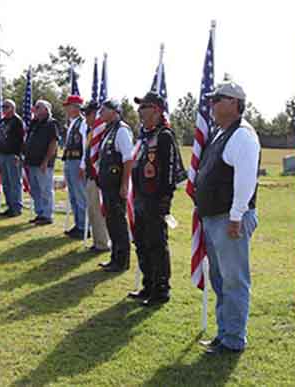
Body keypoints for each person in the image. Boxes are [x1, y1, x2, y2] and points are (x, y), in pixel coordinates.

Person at [194, 81, 260, 354]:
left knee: (234, 281)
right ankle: (225, 333)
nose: (212, 104)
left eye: (218, 99)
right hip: (215, 217)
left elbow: (245, 179)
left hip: (229, 218)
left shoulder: (242, 135)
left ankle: (233, 339)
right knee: (220, 280)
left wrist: (236, 216)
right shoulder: (222, 133)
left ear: (234, 103)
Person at [129, 91, 185, 306]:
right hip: (140, 197)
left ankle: (161, 289)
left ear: (156, 110)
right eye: (139, 107)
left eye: (144, 107)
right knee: (141, 243)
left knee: (156, 243)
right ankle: (148, 284)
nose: (140, 112)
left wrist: (165, 201)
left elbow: (170, 170)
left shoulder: (164, 136)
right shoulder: (144, 136)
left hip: (155, 199)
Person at [96, 99, 134, 273]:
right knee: (111, 221)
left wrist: (125, 184)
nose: (100, 114)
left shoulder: (122, 131)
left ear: (114, 111)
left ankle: (122, 260)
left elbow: (128, 159)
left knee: (118, 222)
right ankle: (114, 257)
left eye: (104, 110)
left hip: (117, 184)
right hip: (107, 184)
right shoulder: (108, 130)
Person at [80, 100, 110, 252]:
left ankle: (102, 243)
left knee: (98, 211)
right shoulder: (92, 131)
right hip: (91, 175)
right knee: (92, 210)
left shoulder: (102, 130)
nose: (85, 118)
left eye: (87, 114)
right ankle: (98, 241)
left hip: (100, 177)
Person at [24, 100, 59, 225]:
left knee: (45, 190)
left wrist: (46, 160)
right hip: (32, 162)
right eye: (35, 107)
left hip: (43, 163)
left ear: (46, 109)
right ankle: (40, 213)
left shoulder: (51, 123)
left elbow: (53, 143)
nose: (35, 110)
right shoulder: (34, 123)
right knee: (35, 190)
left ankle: (47, 215)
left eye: (38, 107)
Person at [62, 95, 88, 238]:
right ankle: (78, 224)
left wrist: (83, 165)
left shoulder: (83, 123)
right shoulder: (72, 123)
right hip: (70, 160)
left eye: (68, 106)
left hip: (78, 161)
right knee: (73, 195)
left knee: (80, 195)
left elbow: (85, 145)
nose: (66, 109)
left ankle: (84, 226)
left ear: (76, 107)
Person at [0, 99, 25, 217]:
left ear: (13, 108)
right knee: (6, 182)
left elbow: (22, 139)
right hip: (2, 154)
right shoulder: (2, 121)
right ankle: (10, 206)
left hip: (13, 155)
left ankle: (16, 207)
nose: (4, 109)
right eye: (3, 107)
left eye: (6, 107)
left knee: (14, 182)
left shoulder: (17, 121)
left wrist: (18, 154)